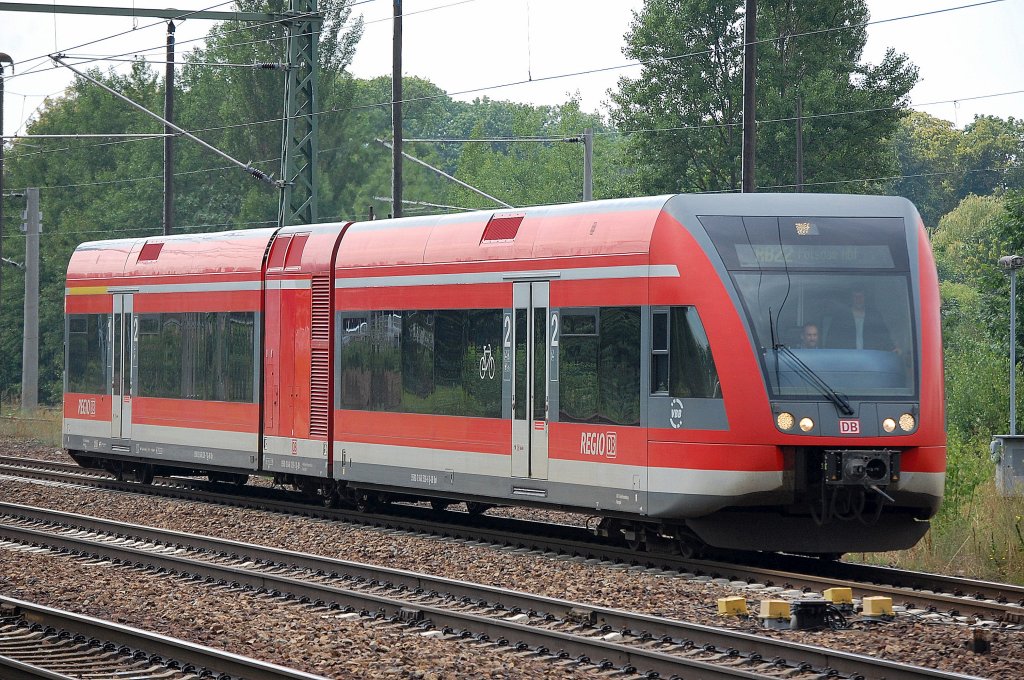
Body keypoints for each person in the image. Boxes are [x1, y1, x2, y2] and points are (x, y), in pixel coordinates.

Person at [828, 288, 895, 351]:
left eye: (861, 296)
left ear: (865, 298)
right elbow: (831, 340)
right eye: (855, 297)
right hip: (847, 360)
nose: (858, 299)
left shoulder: (874, 316)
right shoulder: (840, 317)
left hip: (870, 359)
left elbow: (883, 336)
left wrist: (893, 348)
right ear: (851, 298)